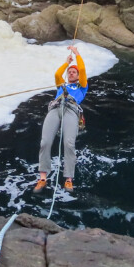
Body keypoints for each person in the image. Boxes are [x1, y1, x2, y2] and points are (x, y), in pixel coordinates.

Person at [34, 44, 87, 192]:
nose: (71, 73)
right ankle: (42, 177)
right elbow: (58, 75)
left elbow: (82, 70)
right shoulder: (61, 86)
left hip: (71, 110)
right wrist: (66, 63)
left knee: (69, 144)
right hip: (55, 108)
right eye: (69, 72)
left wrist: (76, 54)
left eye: (73, 72)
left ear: (77, 76)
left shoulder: (82, 86)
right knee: (45, 142)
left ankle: (68, 179)